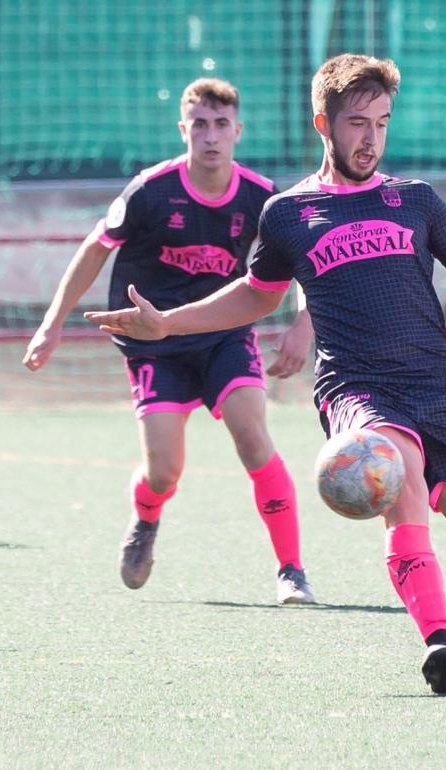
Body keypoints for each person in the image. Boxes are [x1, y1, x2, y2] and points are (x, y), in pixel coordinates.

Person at [84, 55, 446, 695]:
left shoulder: (415, 198)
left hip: (442, 387)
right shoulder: (288, 212)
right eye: (357, 122)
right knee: (403, 487)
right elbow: (255, 294)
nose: (370, 138)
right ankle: (440, 640)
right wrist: (168, 323)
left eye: (382, 123)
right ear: (324, 124)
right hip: (359, 392)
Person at [23, 78, 316, 606]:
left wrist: (302, 325)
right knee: (164, 470)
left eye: (221, 124)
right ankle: (146, 517)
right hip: (154, 342)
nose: (210, 136)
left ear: (237, 131)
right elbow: (95, 249)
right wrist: (53, 322)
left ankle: (292, 570)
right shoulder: (150, 190)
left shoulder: (263, 197)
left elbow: (308, 261)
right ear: (183, 129)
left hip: (224, 334)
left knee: (252, 435)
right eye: (199, 124)